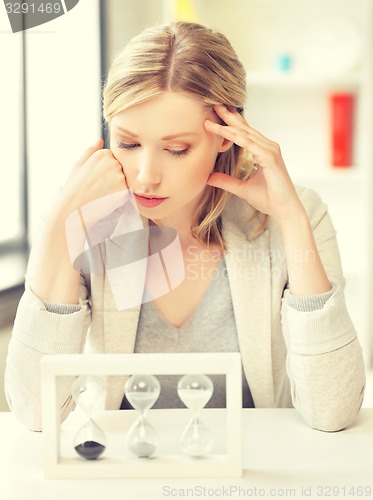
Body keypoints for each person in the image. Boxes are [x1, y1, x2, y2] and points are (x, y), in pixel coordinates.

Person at [5, 21, 365, 432]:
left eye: (176, 149)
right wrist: (58, 228)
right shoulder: (88, 220)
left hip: (256, 474)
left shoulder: (294, 217)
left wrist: (293, 219)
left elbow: (332, 410)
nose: (145, 176)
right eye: (128, 143)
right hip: (123, 473)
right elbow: (35, 412)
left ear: (227, 136)